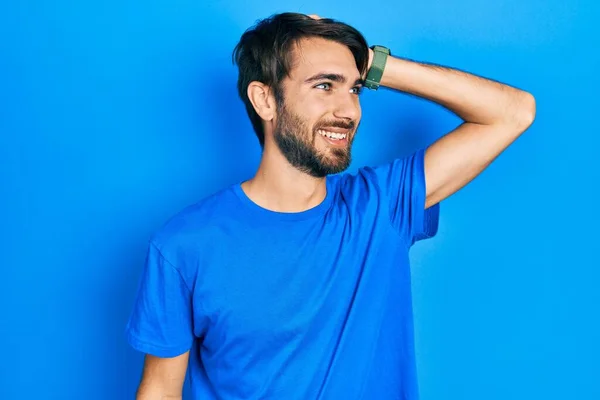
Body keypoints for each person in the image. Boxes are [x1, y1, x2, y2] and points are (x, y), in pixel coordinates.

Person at [125, 12, 536, 400]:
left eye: (354, 89)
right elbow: (160, 390)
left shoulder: (382, 206)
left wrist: (373, 64)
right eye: (324, 85)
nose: (349, 111)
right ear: (265, 100)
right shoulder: (183, 244)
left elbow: (512, 112)